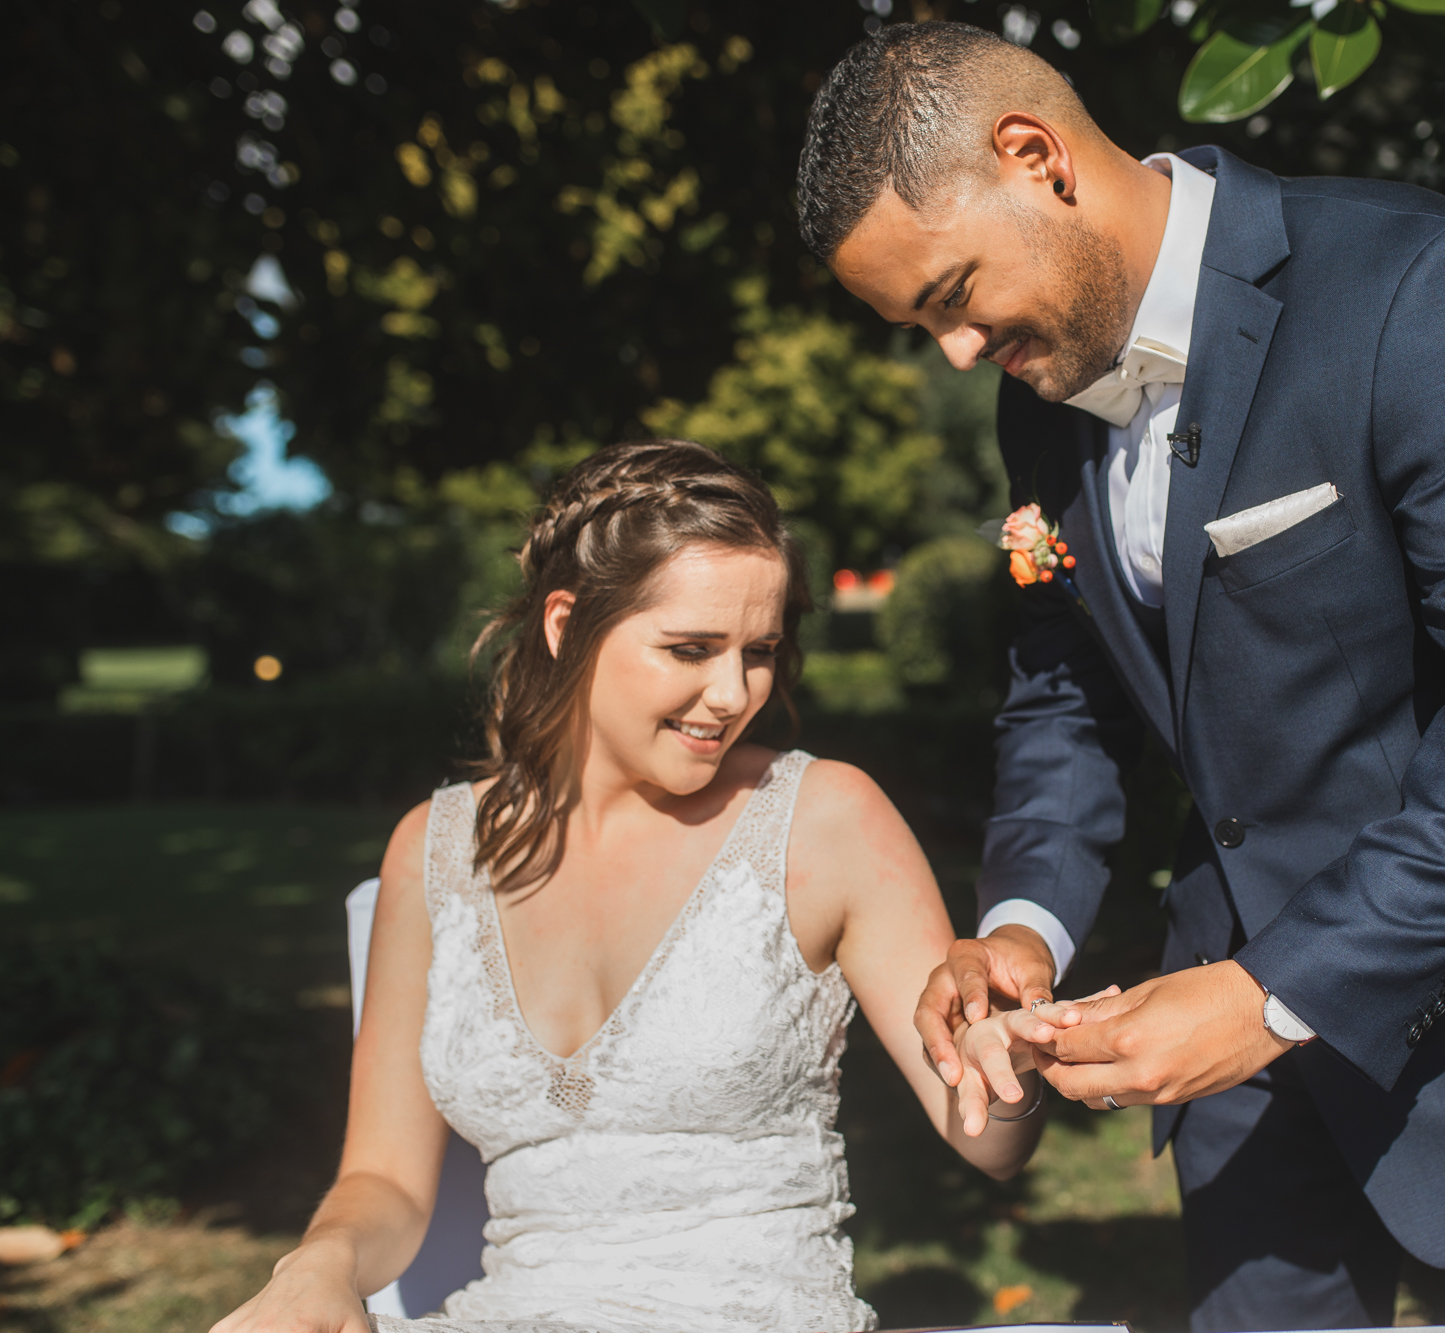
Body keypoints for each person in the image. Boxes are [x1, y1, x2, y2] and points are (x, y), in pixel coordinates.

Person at [798, 22, 1445, 1333]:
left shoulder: (1429, 288)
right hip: (1241, 1094)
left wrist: (1272, 995)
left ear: (1036, 158)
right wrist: (1025, 927)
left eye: (952, 295)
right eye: (921, 324)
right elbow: (1064, 693)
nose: (956, 354)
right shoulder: (1042, 394)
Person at [210, 440, 1058, 1333]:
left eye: (759, 650)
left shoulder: (825, 820)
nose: (733, 692)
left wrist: (1013, 1062)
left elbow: (993, 1143)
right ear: (566, 623)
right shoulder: (434, 849)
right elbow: (380, 1179)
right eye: (690, 648)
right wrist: (317, 1264)